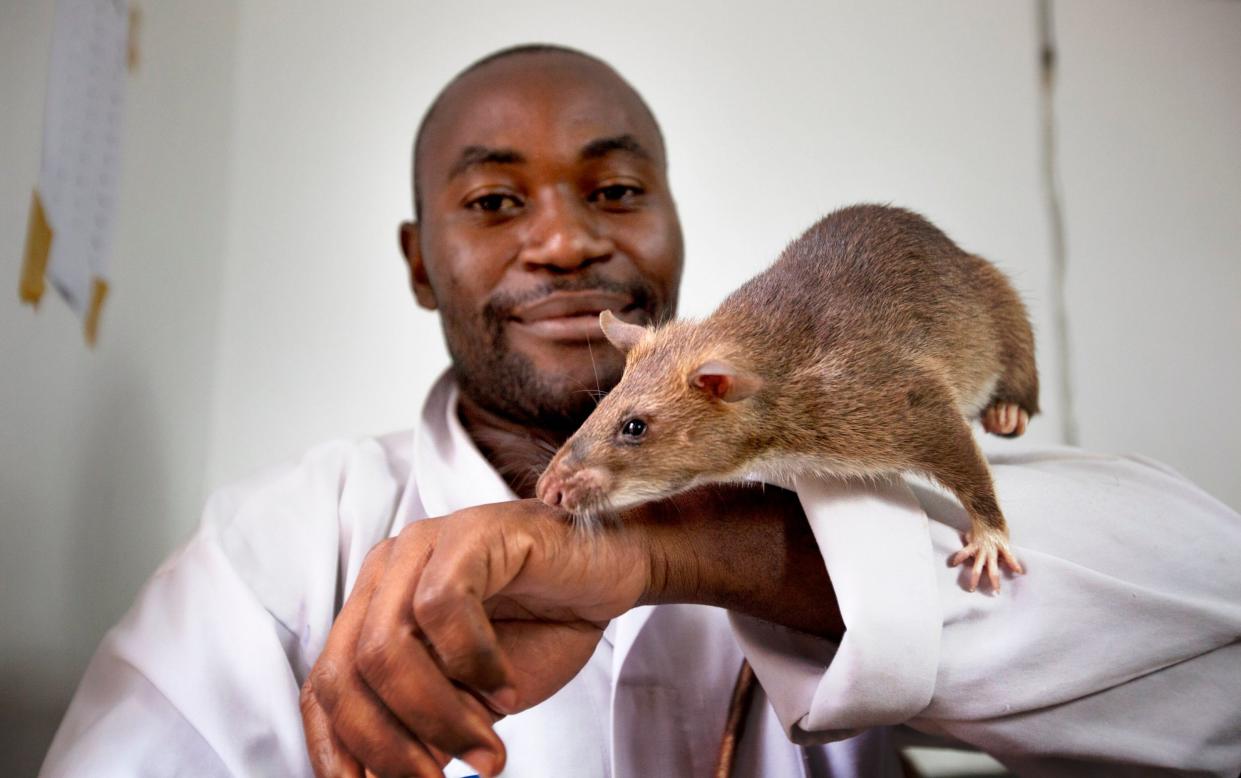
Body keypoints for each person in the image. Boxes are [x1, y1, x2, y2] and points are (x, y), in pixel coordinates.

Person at [41, 44, 1241, 778]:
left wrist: (677, 556)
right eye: (495, 201)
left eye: (613, 190)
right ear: (419, 264)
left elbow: (1212, 647)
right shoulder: (279, 549)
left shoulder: (828, 437)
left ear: (672, 230)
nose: (564, 238)